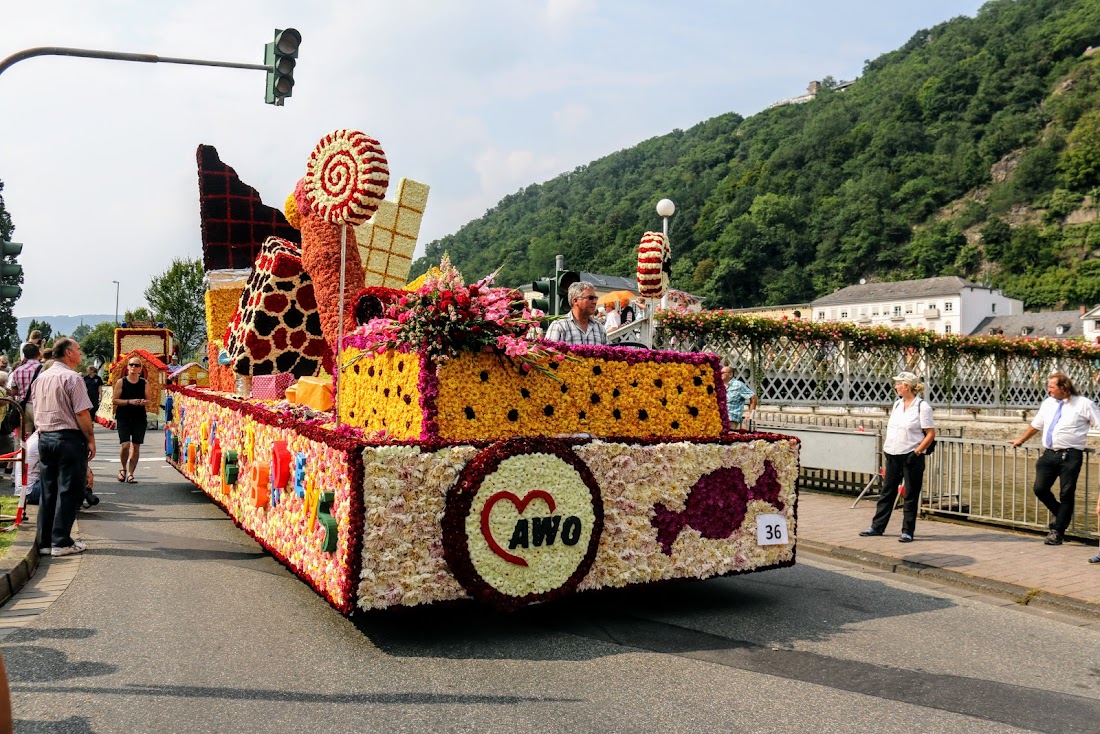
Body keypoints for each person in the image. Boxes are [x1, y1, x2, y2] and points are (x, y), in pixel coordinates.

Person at [1011, 372, 1100, 546]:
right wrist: (1021, 439)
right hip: (1049, 453)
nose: (1048, 390)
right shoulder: (1048, 403)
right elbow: (1036, 424)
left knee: (1066, 493)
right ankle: (1061, 513)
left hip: (1071, 455)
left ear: (1064, 387)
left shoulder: (1084, 404)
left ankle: (1057, 532)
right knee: (1040, 488)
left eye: (1052, 387)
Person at [33, 337, 95, 557]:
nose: (80, 353)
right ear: (68, 352)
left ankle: (45, 541)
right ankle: (61, 540)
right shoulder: (72, 377)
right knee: (69, 489)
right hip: (67, 438)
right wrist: (90, 438)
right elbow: (82, 412)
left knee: (49, 490)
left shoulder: (42, 377)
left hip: (45, 438)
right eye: (78, 349)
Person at [860, 371, 936, 543]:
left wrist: (917, 452)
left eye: (898, 384)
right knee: (887, 492)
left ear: (906, 386)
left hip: (911, 456)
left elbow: (930, 433)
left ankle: (907, 531)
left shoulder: (922, 407)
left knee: (910, 493)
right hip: (893, 454)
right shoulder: (896, 405)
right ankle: (877, 527)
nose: (895, 386)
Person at [112, 356, 151, 483]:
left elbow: (149, 400)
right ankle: (123, 468)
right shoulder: (121, 382)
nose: (134, 367)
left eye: (137, 365)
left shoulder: (144, 383)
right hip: (124, 416)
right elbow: (115, 400)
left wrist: (142, 402)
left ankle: (130, 473)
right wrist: (130, 401)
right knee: (125, 445)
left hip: (139, 417)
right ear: (127, 367)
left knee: (136, 446)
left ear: (140, 369)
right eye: (131, 364)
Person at [544, 282, 608, 346]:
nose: (595, 302)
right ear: (575, 301)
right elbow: (548, 354)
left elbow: (608, 354)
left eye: (595, 298)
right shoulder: (559, 326)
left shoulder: (600, 328)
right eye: (590, 298)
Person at [7, 342, 43, 435]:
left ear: (25, 355)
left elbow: (14, 392)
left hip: (22, 406)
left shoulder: (17, 370)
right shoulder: (42, 370)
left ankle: (22, 449)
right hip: (39, 406)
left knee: (22, 436)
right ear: (39, 354)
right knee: (40, 434)